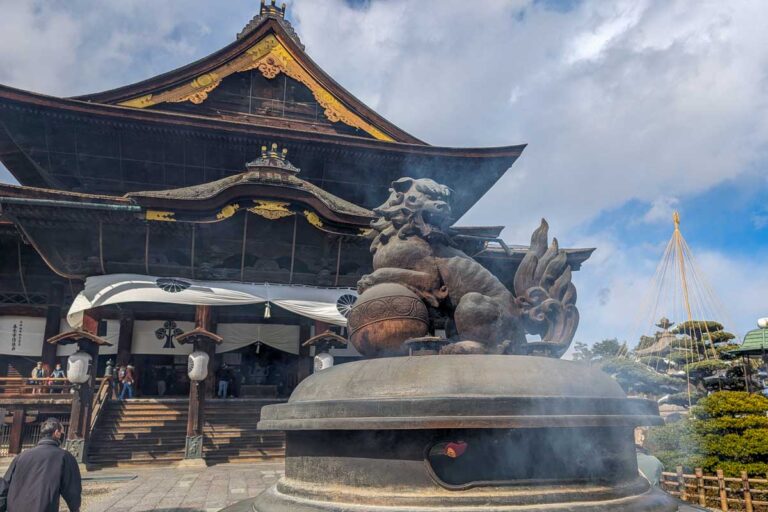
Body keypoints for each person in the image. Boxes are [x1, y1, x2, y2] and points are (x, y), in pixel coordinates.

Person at [0, 417, 81, 512]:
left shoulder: (21, 456)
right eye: (62, 432)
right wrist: (75, 508)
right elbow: (72, 490)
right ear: (57, 433)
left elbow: (5, 486)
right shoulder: (64, 457)